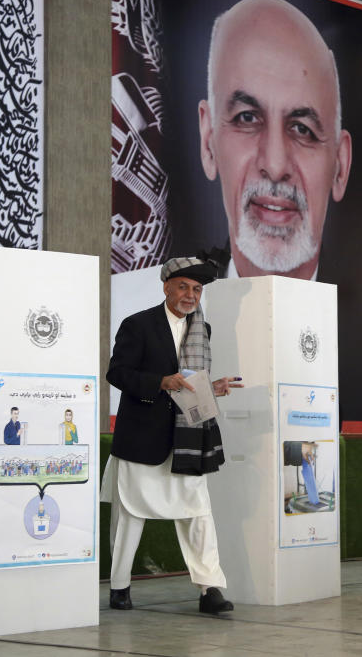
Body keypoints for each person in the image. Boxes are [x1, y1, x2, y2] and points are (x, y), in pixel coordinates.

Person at [102, 256, 243, 614]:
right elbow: (117, 374)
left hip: (189, 439)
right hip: (143, 438)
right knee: (130, 515)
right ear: (166, 286)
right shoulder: (138, 324)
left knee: (198, 513)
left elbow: (189, 385)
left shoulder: (202, 329)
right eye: (183, 286)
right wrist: (158, 382)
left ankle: (209, 589)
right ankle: (120, 586)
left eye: (196, 290)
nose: (190, 295)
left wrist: (212, 388)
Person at [197, 0, 352, 281]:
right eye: (247, 118)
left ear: (340, 167)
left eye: (302, 128)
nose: (276, 164)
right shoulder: (156, 318)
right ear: (208, 142)